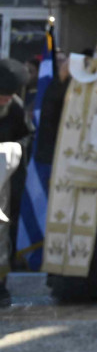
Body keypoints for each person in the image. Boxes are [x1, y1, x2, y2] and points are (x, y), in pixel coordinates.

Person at [0, 59, 33, 308]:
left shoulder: (15, 107)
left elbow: (26, 136)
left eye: (9, 95)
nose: (5, 100)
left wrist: (12, 150)